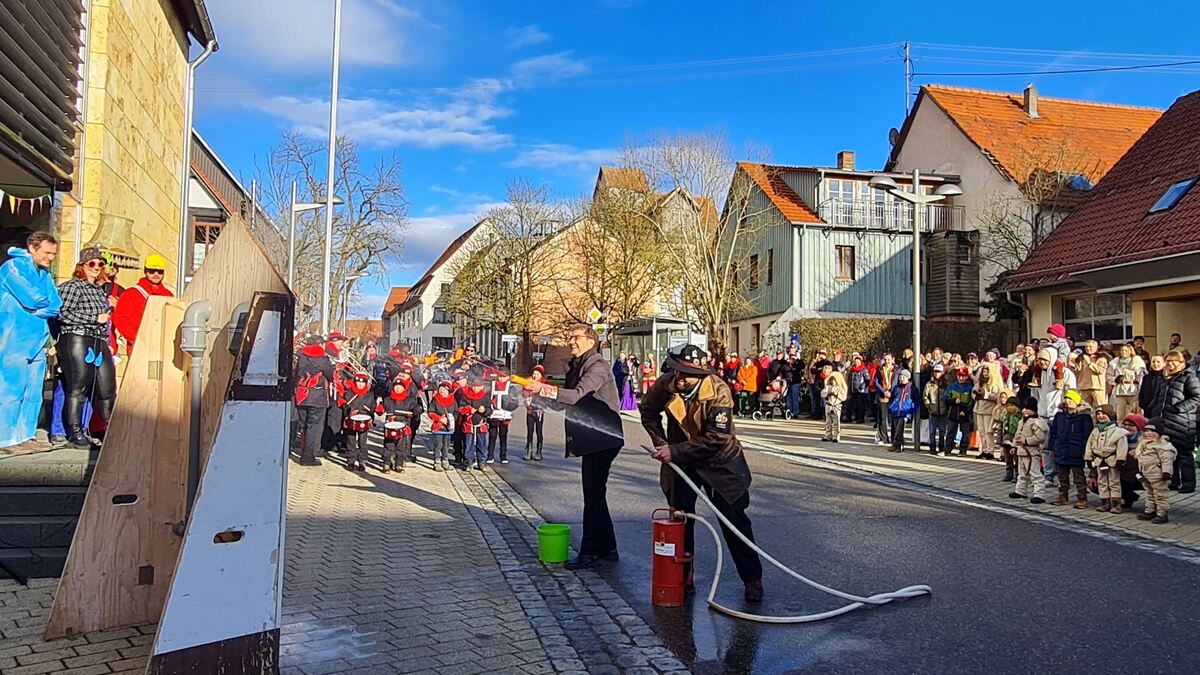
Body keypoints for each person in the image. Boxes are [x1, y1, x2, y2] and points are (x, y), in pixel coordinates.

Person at [640, 344, 765, 602]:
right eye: (676, 371)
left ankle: (752, 579)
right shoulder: (666, 384)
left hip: (720, 462)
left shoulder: (719, 391)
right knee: (681, 520)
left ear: (702, 373)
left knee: (734, 522)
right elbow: (648, 411)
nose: (680, 377)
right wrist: (661, 443)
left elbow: (716, 438)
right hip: (682, 462)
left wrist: (674, 452)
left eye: (687, 373)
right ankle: (682, 577)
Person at [531, 324, 624, 570]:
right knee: (596, 495)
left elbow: (575, 396)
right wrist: (538, 396)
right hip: (593, 437)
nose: (570, 341)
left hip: (603, 439)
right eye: (569, 336)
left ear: (591, 340)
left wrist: (545, 388)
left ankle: (590, 551)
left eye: (576, 337)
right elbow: (564, 405)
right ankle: (608, 548)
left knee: (593, 496)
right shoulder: (577, 365)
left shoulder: (597, 366)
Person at [0, 232, 61, 451]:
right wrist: (38, 305)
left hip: (37, 338)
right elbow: (32, 297)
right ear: (32, 248)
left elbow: (55, 303)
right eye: (47, 252)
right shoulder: (12, 268)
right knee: (11, 389)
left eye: (53, 254)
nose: (51, 258)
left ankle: (26, 435)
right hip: (12, 339)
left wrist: (36, 309)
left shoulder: (44, 274)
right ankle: (6, 438)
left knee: (33, 391)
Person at [56, 247, 118, 449]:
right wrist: (93, 318)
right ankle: (75, 433)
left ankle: (111, 429)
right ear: (82, 266)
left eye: (100, 264)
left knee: (107, 388)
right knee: (78, 388)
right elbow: (62, 314)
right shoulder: (72, 287)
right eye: (92, 263)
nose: (97, 267)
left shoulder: (99, 290)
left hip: (99, 341)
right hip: (77, 338)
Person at [1145, 350, 1198, 493]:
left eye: (1173, 361)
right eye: (1167, 361)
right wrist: (1153, 410)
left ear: (1181, 363)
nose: (1169, 364)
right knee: (1169, 453)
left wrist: (1179, 409)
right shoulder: (1165, 379)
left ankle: (1188, 483)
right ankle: (1174, 482)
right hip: (1165, 422)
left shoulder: (1189, 377)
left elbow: (1196, 397)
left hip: (1182, 422)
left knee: (1184, 455)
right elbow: (1158, 396)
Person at [111, 253, 172, 354]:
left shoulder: (169, 295)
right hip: (138, 347)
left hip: (162, 347)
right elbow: (120, 320)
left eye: (160, 271)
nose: (156, 274)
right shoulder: (131, 293)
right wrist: (136, 338)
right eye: (152, 271)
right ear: (145, 271)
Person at [1048, 390, 1093, 509]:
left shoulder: (1084, 417)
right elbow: (1054, 433)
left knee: (1078, 475)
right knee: (1062, 474)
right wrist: (1052, 447)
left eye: (1070, 399)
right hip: (1061, 448)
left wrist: (1085, 451)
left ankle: (1082, 497)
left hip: (1076, 450)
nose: (1067, 401)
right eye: (1066, 398)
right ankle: (1063, 495)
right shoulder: (1060, 416)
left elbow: (1087, 436)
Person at [294, 334, 334, 466]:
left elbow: (297, 373)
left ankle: (305, 451)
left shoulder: (302, 356)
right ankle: (308, 456)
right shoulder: (323, 358)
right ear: (319, 344)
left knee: (304, 425)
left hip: (302, 394)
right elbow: (330, 376)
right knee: (314, 426)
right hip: (317, 396)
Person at [1084, 404, 1129, 513]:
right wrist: (1088, 458)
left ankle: (1116, 504)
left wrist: (1120, 459)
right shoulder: (1095, 431)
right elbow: (1089, 445)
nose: (1100, 416)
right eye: (1098, 414)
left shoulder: (1117, 431)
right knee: (1102, 482)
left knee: (1114, 482)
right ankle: (1105, 502)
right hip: (1099, 461)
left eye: (1103, 414)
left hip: (1112, 461)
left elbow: (1122, 446)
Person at [1133, 418, 1176, 524]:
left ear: (1159, 433)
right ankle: (1150, 510)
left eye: (1153, 431)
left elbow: (1167, 460)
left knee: (1160, 494)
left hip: (1158, 475)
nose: (1149, 433)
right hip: (1146, 474)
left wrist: (1167, 472)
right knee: (1149, 493)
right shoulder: (1144, 444)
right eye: (1147, 431)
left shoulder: (1163, 446)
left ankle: (1162, 513)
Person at [379, 371, 422, 473]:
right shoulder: (388, 399)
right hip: (390, 425)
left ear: (404, 388)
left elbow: (416, 409)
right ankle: (386, 463)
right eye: (396, 386)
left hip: (403, 426)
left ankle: (399, 464)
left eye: (400, 386)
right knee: (388, 446)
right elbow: (381, 410)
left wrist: (416, 411)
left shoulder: (409, 400)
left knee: (401, 447)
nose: (398, 388)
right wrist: (379, 409)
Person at [1010, 398, 1048, 503]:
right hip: (1021, 452)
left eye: (1028, 408)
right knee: (1022, 473)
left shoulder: (1037, 422)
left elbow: (1040, 437)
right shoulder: (1021, 422)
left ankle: (1039, 494)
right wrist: (1014, 446)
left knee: (1035, 474)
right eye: (1023, 408)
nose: (1024, 411)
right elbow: (1017, 435)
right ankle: (1020, 491)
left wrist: (1027, 441)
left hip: (1032, 453)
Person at [456, 375, 493, 472]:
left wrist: (484, 410)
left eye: (478, 386)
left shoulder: (485, 397)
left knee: (482, 444)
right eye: (474, 386)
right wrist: (468, 409)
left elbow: (490, 410)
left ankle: (482, 462)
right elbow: (460, 409)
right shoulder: (465, 395)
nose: (475, 388)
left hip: (480, 425)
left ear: (482, 387)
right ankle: (469, 462)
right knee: (469, 445)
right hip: (469, 425)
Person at [339, 372, 375, 472]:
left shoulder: (369, 395)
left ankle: (362, 461)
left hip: (363, 421)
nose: (360, 384)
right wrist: (347, 409)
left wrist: (371, 412)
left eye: (362, 383)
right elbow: (345, 407)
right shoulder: (349, 393)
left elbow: (372, 408)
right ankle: (350, 461)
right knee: (351, 441)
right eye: (358, 382)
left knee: (362, 442)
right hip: (351, 420)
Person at [973, 362, 1003, 460]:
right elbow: (973, 392)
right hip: (979, 408)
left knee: (988, 431)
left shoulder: (996, 383)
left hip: (989, 409)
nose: (985, 373)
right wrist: (975, 395)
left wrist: (986, 395)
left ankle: (990, 451)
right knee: (981, 431)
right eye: (984, 371)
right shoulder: (980, 382)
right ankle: (984, 450)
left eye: (987, 371)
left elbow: (999, 396)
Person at [487, 371, 520, 463]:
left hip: (505, 415)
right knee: (492, 435)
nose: (501, 378)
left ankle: (503, 455)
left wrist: (508, 408)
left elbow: (515, 402)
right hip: (494, 414)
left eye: (503, 377)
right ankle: (490, 455)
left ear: (507, 377)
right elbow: (488, 398)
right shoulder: (492, 385)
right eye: (499, 376)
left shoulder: (511, 387)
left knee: (503, 435)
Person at [1108, 343, 1146, 421]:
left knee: (1135, 412)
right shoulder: (1115, 363)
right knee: (1120, 414)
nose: (1123, 352)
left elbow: (1141, 377)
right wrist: (1116, 379)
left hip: (1133, 390)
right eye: (1122, 350)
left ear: (1130, 351)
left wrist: (1141, 389)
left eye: (1126, 350)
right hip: (1120, 390)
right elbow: (1108, 375)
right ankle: (1120, 429)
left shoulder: (1136, 362)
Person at [426, 380, 457, 472]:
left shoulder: (453, 400)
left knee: (446, 445)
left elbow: (456, 412)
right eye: (440, 388)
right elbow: (430, 412)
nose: (442, 390)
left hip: (448, 427)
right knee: (438, 444)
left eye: (444, 389)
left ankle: (445, 460)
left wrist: (450, 419)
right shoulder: (435, 399)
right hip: (438, 426)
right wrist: (439, 419)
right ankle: (437, 461)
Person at [943, 367, 975, 457]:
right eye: (959, 376)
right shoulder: (952, 386)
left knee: (965, 433)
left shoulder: (969, 387)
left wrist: (965, 411)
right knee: (950, 432)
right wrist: (953, 400)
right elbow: (945, 398)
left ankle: (963, 450)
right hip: (953, 412)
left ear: (966, 377)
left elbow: (972, 401)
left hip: (965, 414)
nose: (961, 378)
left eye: (963, 376)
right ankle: (948, 450)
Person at [887, 369, 916, 452]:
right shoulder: (897, 387)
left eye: (904, 376)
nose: (901, 378)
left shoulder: (911, 388)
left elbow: (916, 400)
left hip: (905, 411)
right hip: (896, 410)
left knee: (900, 426)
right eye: (900, 376)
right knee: (896, 428)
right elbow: (893, 398)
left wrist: (911, 408)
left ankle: (896, 444)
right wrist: (891, 406)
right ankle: (899, 446)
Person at [923, 363, 949, 456]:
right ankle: (932, 447)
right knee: (932, 431)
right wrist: (928, 405)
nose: (937, 374)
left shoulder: (946, 383)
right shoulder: (930, 384)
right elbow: (925, 396)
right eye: (935, 372)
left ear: (943, 372)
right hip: (933, 411)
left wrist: (947, 406)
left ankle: (941, 447)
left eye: (939, 372)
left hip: (943, 411)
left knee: (942, 431)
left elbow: (949, 396)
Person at [1074, 340, 1109, 408]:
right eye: (1086, 346)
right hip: (1084, 387)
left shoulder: (1101, 358)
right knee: (1084, 409)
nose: (1088, 348)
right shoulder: (1082, 357)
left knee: (1100, 408)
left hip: (1097, 387)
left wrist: (1090, 363)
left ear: (1097, 347)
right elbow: (1078, 371)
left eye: (1090, 347)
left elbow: (1101, 371)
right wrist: (1074, 365)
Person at [523, 365, 546, 461]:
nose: (535, 375)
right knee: (530, 431)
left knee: (539, 432)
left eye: (538, 374)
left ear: (541, 376)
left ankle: (539, 451)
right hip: (530, 411)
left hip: (539, 412)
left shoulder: (544, 385)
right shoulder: (528, 383)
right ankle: (529, 450)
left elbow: (547, 397)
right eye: (534, 373)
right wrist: (527, 389)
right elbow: (523, 394)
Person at [873, 353, 896, 445]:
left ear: (893, 359)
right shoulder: (880, 370)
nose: (887, 361)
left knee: (894, 418)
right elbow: (876, 382)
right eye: (885, 359)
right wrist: (884, 391)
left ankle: (895, 438)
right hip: (883, 396)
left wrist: (891, 391)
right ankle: (884, 438)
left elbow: (897, 382)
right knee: (882, 418)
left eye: (889, 359)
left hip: (893, 396)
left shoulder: (897, 370)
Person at [820, 363, 847, 443]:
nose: (833, 382)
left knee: (836, 422)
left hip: (836, 406)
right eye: (831, 380)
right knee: (828, 422)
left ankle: (836, 436)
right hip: (828, 406)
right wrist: (827, 393)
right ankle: (828, 435)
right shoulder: (828, 387)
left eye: (834, 380)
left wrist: (837, 394)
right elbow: (822, 394)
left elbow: (843, 397)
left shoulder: (839, 388)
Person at [847, 354, 870, 424]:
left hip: (861, 391)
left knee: (861, 405)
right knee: (855, 405)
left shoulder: (864, 369)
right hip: (854, 390)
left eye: (858, 361)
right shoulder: (852, 369)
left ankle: (861, 418)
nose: (857, 363)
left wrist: (862, 386)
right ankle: (856, 417)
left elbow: (867, 380)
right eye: (855, 361)